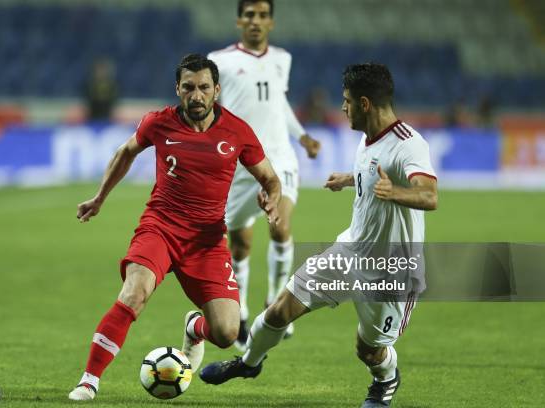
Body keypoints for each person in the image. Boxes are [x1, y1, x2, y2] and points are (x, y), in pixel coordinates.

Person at [200, 63, 439, 408]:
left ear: (365, 104)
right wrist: (350, 179)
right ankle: (248, 363)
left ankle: (385, 380)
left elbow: (429, 196)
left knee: (368, 349)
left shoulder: (409, 145)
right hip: (350, 252)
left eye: (347, 101)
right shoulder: (367, 138)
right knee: (280, 310)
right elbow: (373, 175)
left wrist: (394, 192)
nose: (343, 108)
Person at [68, 54, 282, 401]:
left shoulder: (238, 131)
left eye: (203, 88)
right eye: (188, 88)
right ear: (177, 90)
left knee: (227, 332)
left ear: (216, 90)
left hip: (208, 240)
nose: (196, 95)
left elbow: (270, 178)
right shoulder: (159, 122)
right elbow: (126, 153)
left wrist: (271, 198)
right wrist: (99, 197)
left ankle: (194, 328)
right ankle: (89, 380)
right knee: (134, 293)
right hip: (161, 227)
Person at [207, 0, 320, 350]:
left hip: (279, 159)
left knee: (280, 225)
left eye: (262, 16)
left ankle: (274, 303)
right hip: (239, 165)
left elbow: (278, 103)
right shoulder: (220, 61)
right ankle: (239, 312)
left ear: (271, 22)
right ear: (240, 20)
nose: (256, 21)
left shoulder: (282, 59)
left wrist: (301, 135)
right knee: (239, 244)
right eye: (250, 15)